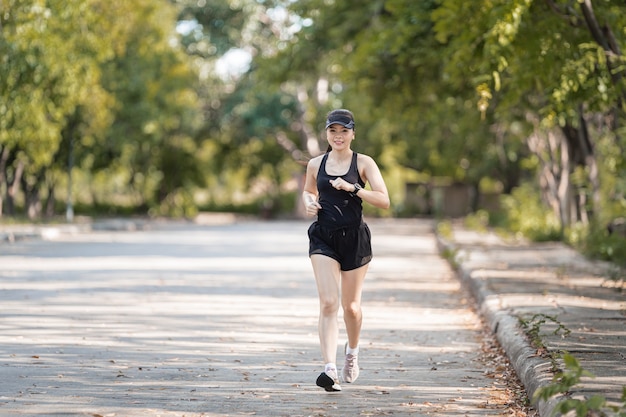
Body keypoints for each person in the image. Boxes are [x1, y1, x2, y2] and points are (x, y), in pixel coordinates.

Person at [302, 109, 390, 392]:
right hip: (323, 237)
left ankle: (352, 353)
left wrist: (354, 188)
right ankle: (329, 370)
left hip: (355, 238)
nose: (338, 136)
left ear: (353, 133)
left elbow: (384, 200)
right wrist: (308, 201)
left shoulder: (364, 163)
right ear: (326, 133)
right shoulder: (316, 163)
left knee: (351, 308)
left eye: (344, 131)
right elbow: (308, 191)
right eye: (333, 131)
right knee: (328, 302)